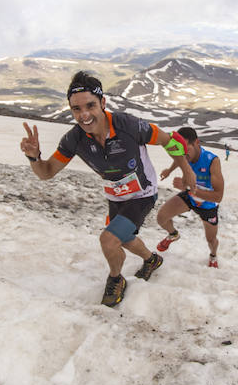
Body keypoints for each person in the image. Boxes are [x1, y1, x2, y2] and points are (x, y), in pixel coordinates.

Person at [19, 71, 196, 307]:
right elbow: (47, 172)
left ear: (103, 103)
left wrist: (186, 170)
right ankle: (151, 260)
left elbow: (169, 140)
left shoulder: (129, 126)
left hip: (142, 193)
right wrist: (34, 157)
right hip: (116, 196)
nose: (84, 115)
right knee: (124, 239)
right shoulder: (74, 139)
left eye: (90, 106)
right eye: (76, 109)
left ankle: (115, 279)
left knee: (109, 240)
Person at [155, 127, 225, 268]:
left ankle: (213, 255)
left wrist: (188, 188)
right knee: (161, 217)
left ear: (196, 142)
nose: (183, 155)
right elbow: (180, 158)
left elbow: (218, 196)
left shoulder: (212, 161)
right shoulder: (185, 154)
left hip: (208, 204)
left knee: (211, 239)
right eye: (181, 150)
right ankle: (173, 234)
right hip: (190, 196)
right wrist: (169, 170)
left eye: (186, 149)